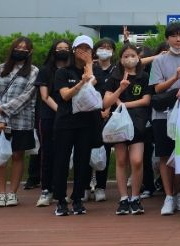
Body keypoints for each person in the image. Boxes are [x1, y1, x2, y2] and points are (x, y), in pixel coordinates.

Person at [149, 21, 180, 215]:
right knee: (164, 155)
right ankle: (168, 196)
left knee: (178, 155)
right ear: (167, 38)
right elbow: (157, 88)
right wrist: (176, 78)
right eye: (174, 36)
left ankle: (178, 193)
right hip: (162, 114)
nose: (178, 39)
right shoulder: (159, 61)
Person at [51, 35, 102, 216]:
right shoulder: (63, 72)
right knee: (62, 161)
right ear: (73, 51)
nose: (84, 52)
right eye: (80, 48)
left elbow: (92, 83)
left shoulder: (94, 71)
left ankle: (78, 199)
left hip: (86, 124)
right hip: (65, 122)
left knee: (82, 161)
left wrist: (88, 66)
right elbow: (65, 95)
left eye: (87, 49)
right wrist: (81, 82)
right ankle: (60, 200)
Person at [0, 37, 39, 208]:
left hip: (22, 120)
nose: (21, 50)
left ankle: (12, 194)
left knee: (18, 156)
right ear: (12, 49)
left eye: (25, 48)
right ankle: (0, 194)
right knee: (0, 157)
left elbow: (27, 96)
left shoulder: (33, 71)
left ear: (30, 52)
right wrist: (0, 118)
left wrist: (1, 109)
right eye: (18, 47)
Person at [103, 44, 152, 215]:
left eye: (133, 55)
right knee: (121, 160)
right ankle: (124, 198)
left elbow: (146, 100)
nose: (130, 59)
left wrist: (124, 104)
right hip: (119, 125)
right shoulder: (114, 77)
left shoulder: (144, 76)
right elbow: (106, 102)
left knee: (137, 161)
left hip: (138, 123)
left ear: (138, 58)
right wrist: (121, 89)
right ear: (121, 59)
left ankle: (135, 197)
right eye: (126, 56)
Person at [33, 39, 71, 207]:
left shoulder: (72, 71)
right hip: (48, 117)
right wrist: (60, 110)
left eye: (66, 48)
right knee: (47, 153)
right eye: (59, 48)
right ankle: (45, 190)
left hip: (67, 118)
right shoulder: (45, 71)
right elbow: (44, 96)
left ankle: (59, 191)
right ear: (53, 51)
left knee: (62, 155)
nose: (62, 50)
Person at [91, 38, 117, 203]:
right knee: (86, 149)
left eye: (108, 48)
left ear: (113, 52)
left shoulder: (116, 69)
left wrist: (107, 108)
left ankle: (101, 186)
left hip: (110, 114)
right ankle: (85, 186)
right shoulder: (90, 68)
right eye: (101, 47)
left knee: (104, 150)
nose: (105, 50)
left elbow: (117, 90)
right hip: (90, 113)